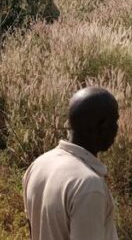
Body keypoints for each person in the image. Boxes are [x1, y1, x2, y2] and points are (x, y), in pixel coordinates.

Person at [23, 87, 120, 240]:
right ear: (101, 127)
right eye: (114, 121)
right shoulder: (88, 185)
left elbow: (32, 231)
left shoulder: (39, 165)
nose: (117, 129)